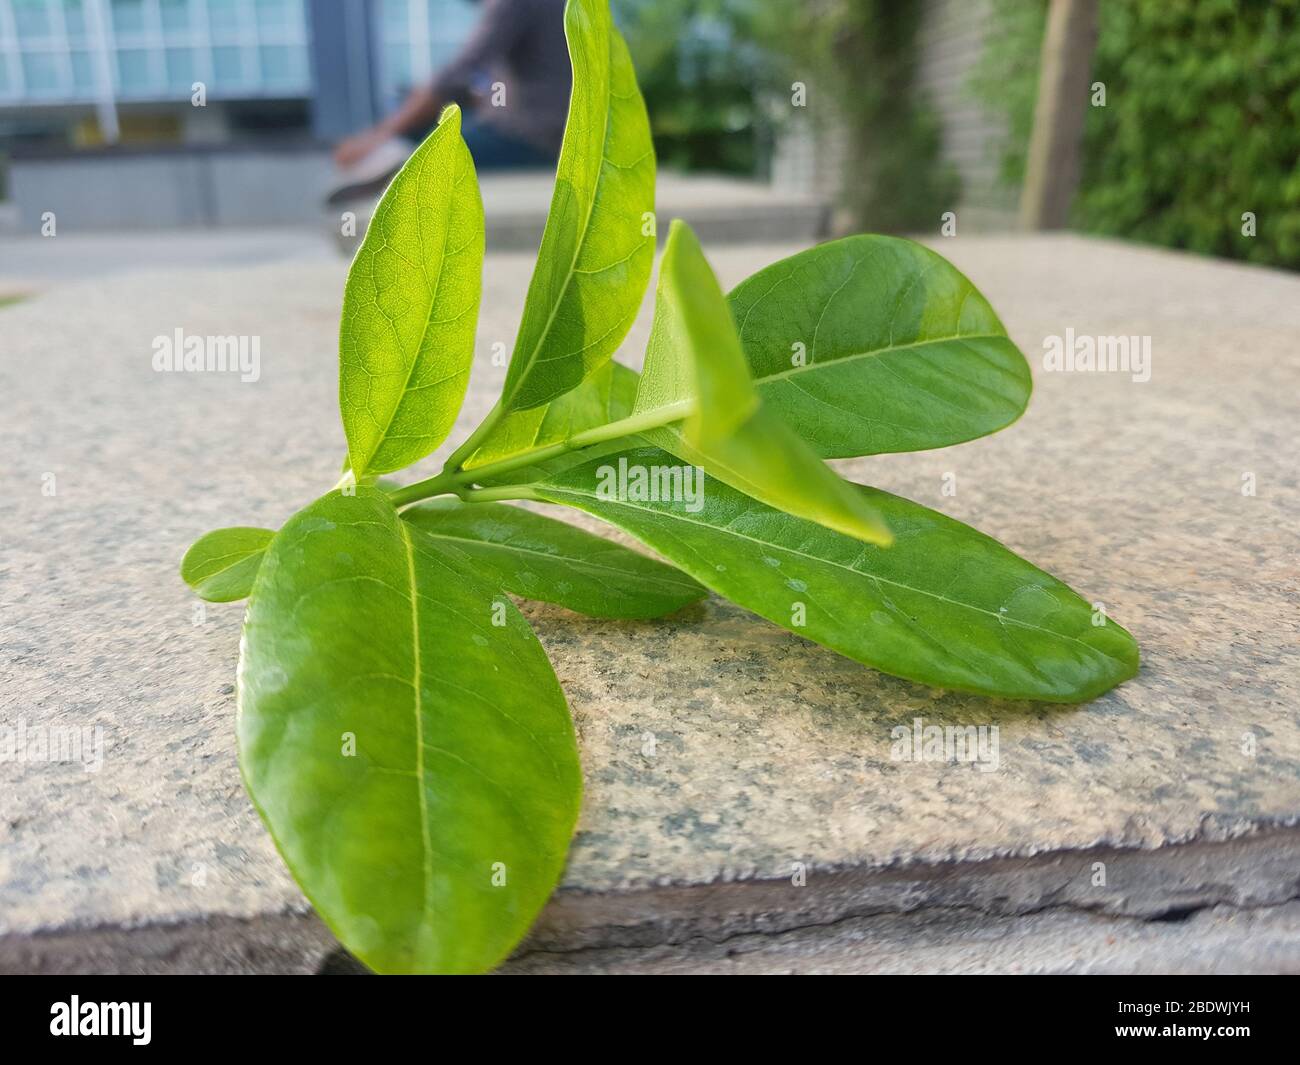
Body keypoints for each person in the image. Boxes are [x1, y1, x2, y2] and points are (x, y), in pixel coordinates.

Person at [333, 0, 571, 194]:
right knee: (423, 128)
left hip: (532, 138)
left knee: (428, 149)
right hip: (543, 128)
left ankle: (383, 184)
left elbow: (456, 75)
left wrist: (378, 137)